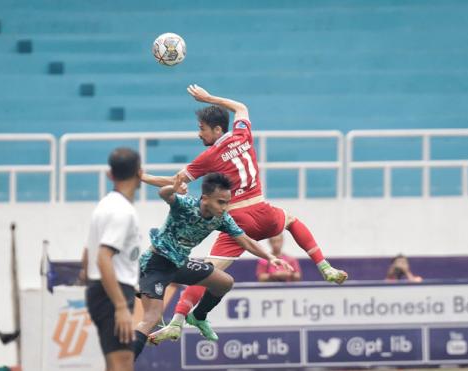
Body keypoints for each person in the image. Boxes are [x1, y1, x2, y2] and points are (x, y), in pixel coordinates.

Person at [141, 84, 347, 340]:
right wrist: (208, 98)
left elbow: (176, 182)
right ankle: (325, 267)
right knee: (292, 221)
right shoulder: (243, 135)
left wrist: (143, 176)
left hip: (236, 218)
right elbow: (241, 107)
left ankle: (177, 321)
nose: (199, 134)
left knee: (208, 271)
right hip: (264, 211)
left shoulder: (208, 156)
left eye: (201, 129)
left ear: (217, 130)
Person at [133, 173, 292, 355]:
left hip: (179, 264)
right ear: (206, 199)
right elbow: (164, 194)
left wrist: (270, 257)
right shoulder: (186, 205)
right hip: (156, 263)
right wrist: (173, 188)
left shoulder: (222, 218)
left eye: (227, 202)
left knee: (224, 282)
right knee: (151, 317)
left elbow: (246, 241)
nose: (224, 208)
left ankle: (198, 316)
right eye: (221, 202)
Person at [85, 147, 144, 371]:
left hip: (103, 290)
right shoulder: (122, 211)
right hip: (113, 292)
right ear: (140, 173)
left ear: (110, 175)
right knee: (122, 363)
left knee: (116, 363)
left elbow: (87, 253)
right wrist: (120, 306)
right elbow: (102, 257)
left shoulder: (105, 205)